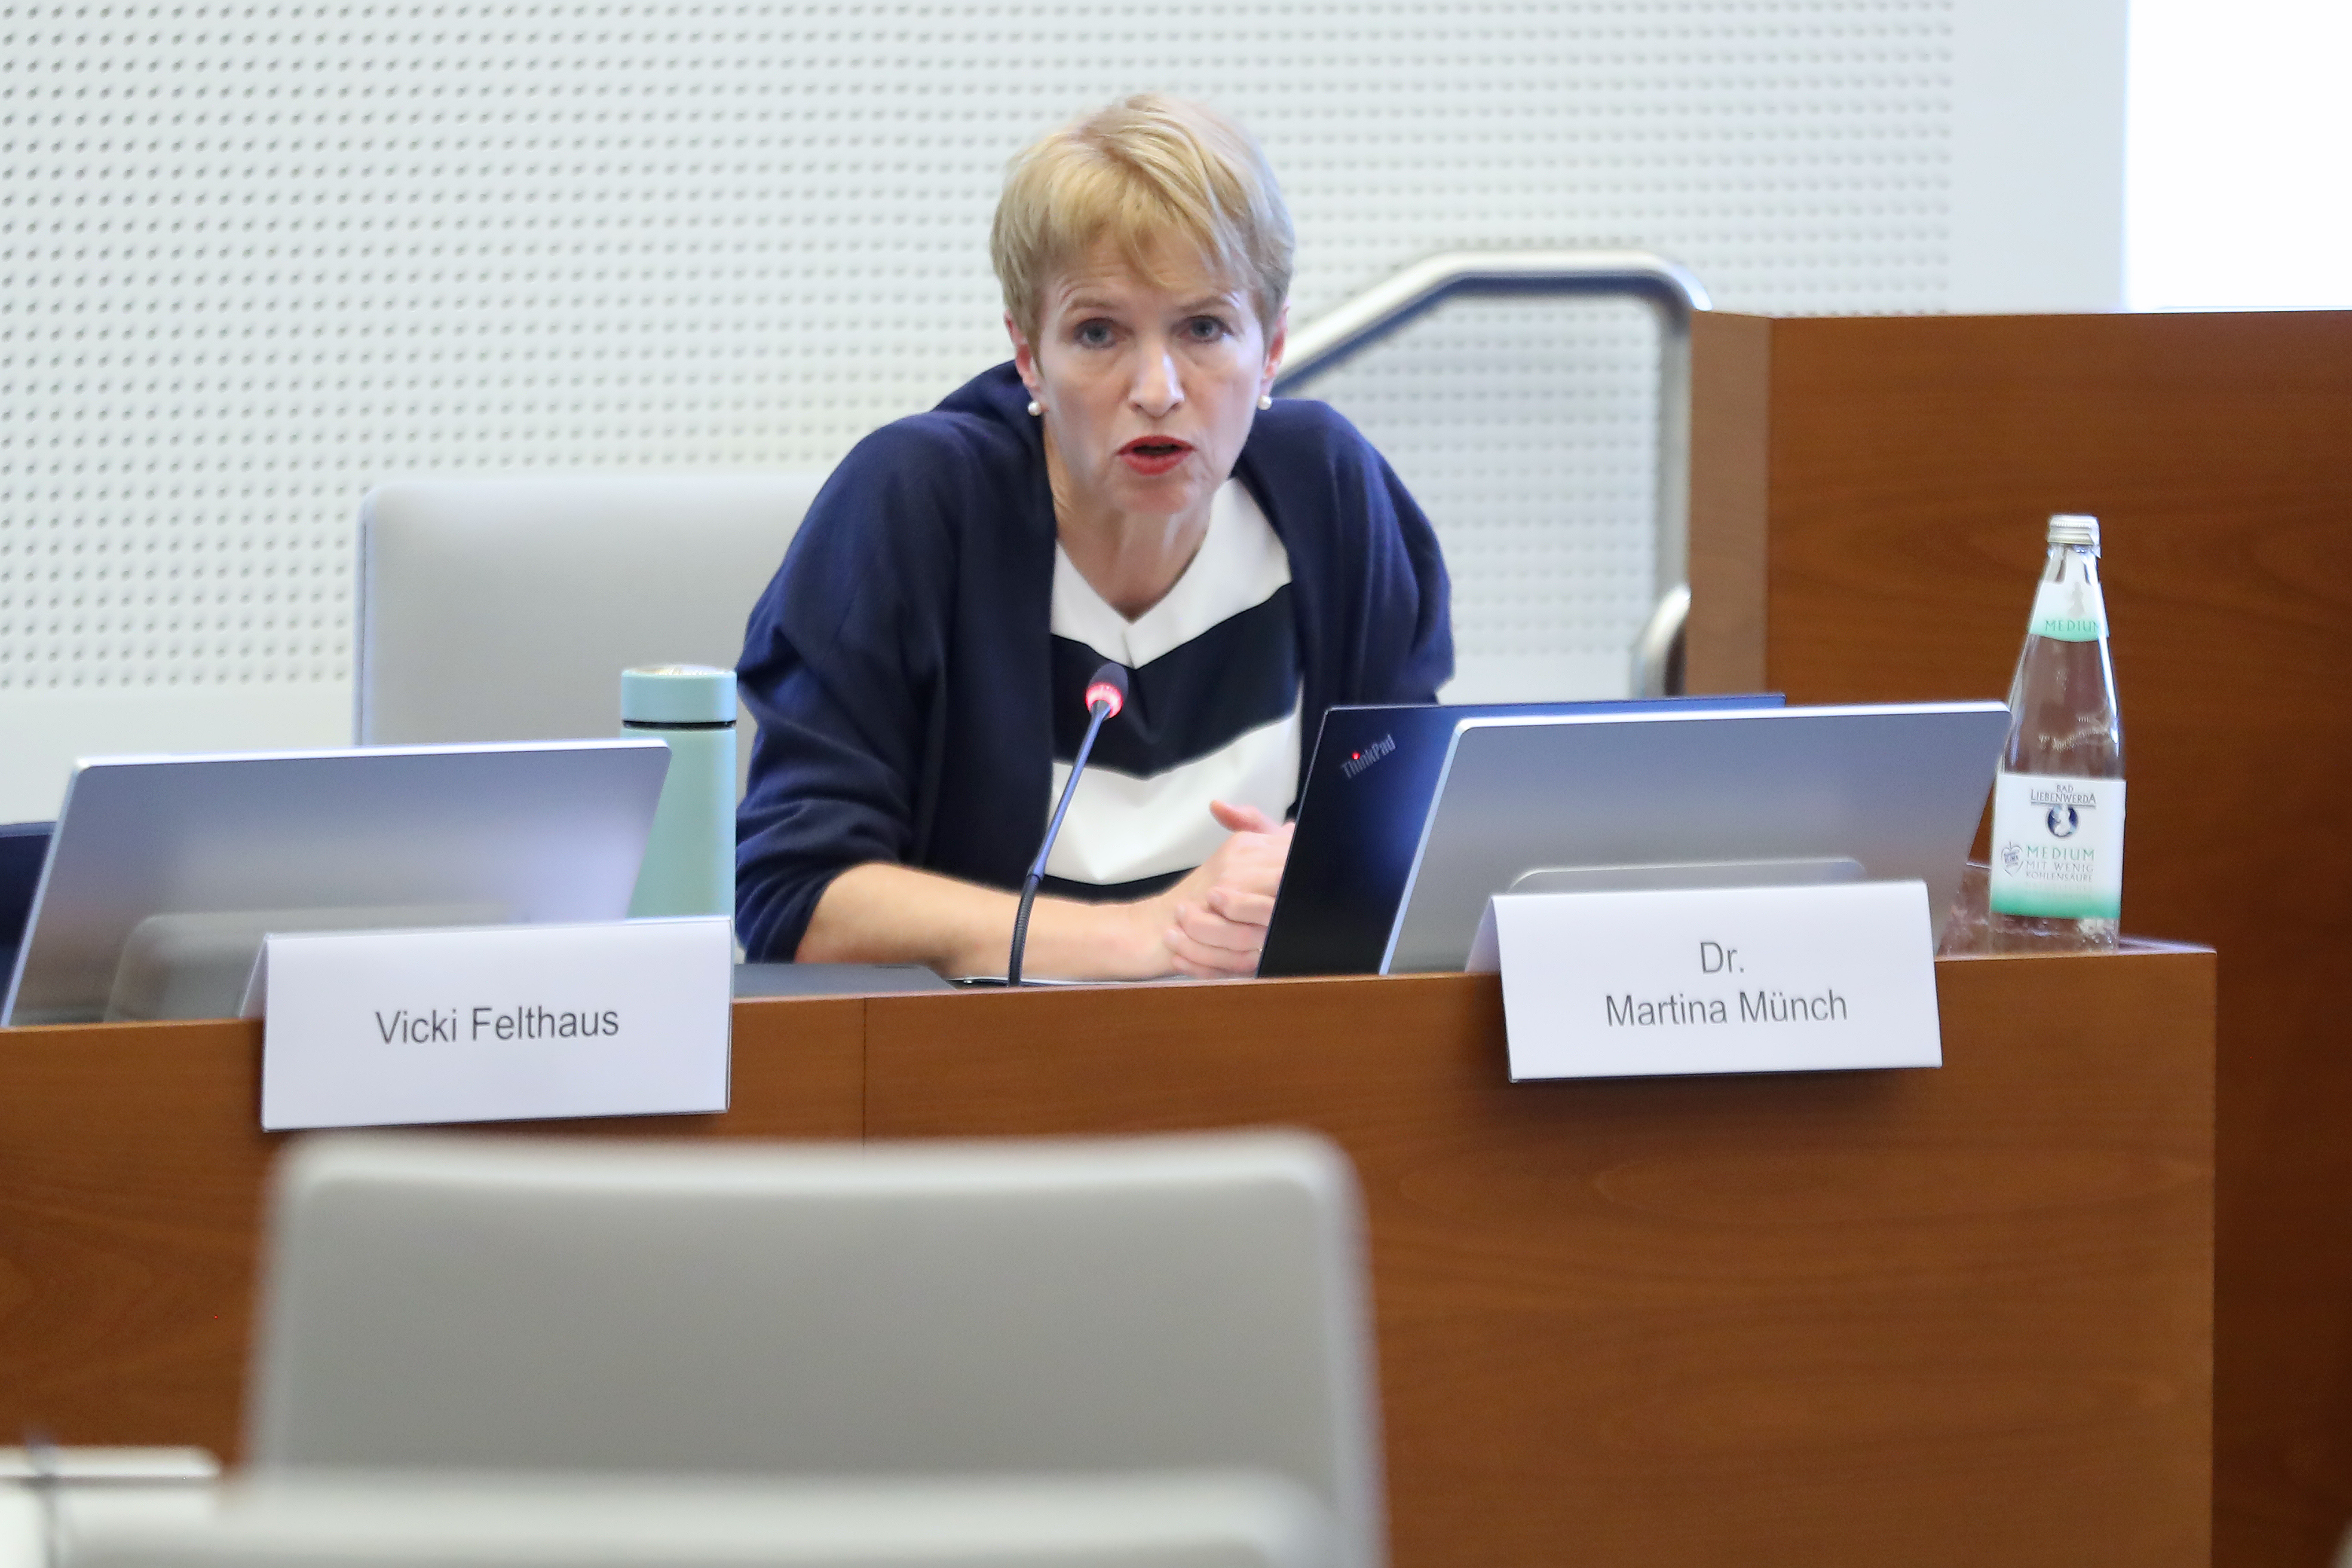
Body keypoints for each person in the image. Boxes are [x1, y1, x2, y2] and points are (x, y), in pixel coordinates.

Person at [734, 94, 1452, 979]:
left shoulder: (1331, 496)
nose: (1156, 387)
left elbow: (1413, 841)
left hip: (1271, 1071)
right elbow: (797, 897)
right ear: (1028, 354)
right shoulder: (916, 502)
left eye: (1203, 329)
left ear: (1271, 350)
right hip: (978, 1080)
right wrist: (1146, 934)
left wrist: (1313, 882)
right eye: (1098, 332)